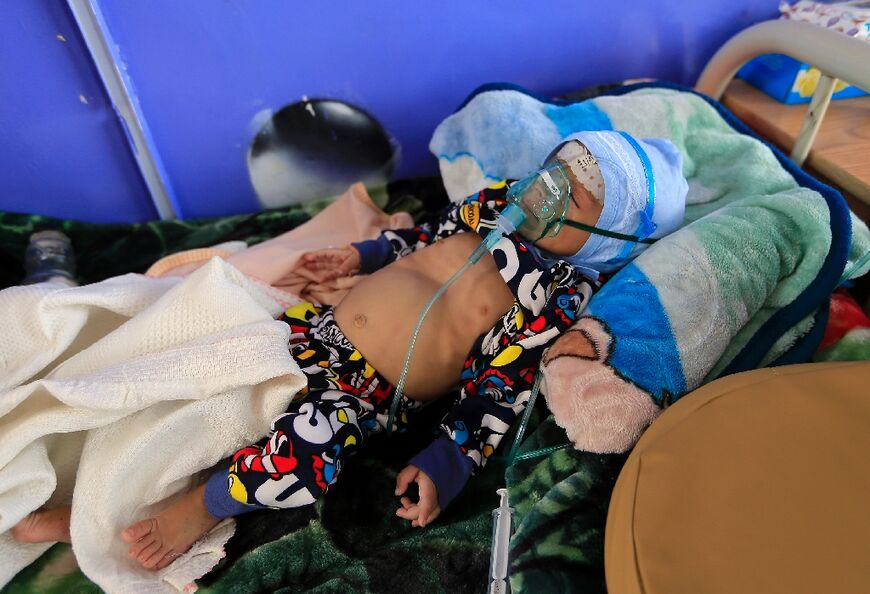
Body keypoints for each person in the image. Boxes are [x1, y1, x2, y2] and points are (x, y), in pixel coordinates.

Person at [12, 130, 688, 571]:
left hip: (363, 391)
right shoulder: (492, 206)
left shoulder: (553, 294)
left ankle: (192, 508)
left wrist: (448, 461)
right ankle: (84, 464)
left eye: (578, 193)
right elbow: (416, 243)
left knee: (311, 451)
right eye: (559, 168)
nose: (548, 191)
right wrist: (359, 253)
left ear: (607, 240)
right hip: (310, 327)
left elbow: (497, 391)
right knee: (183, 346)